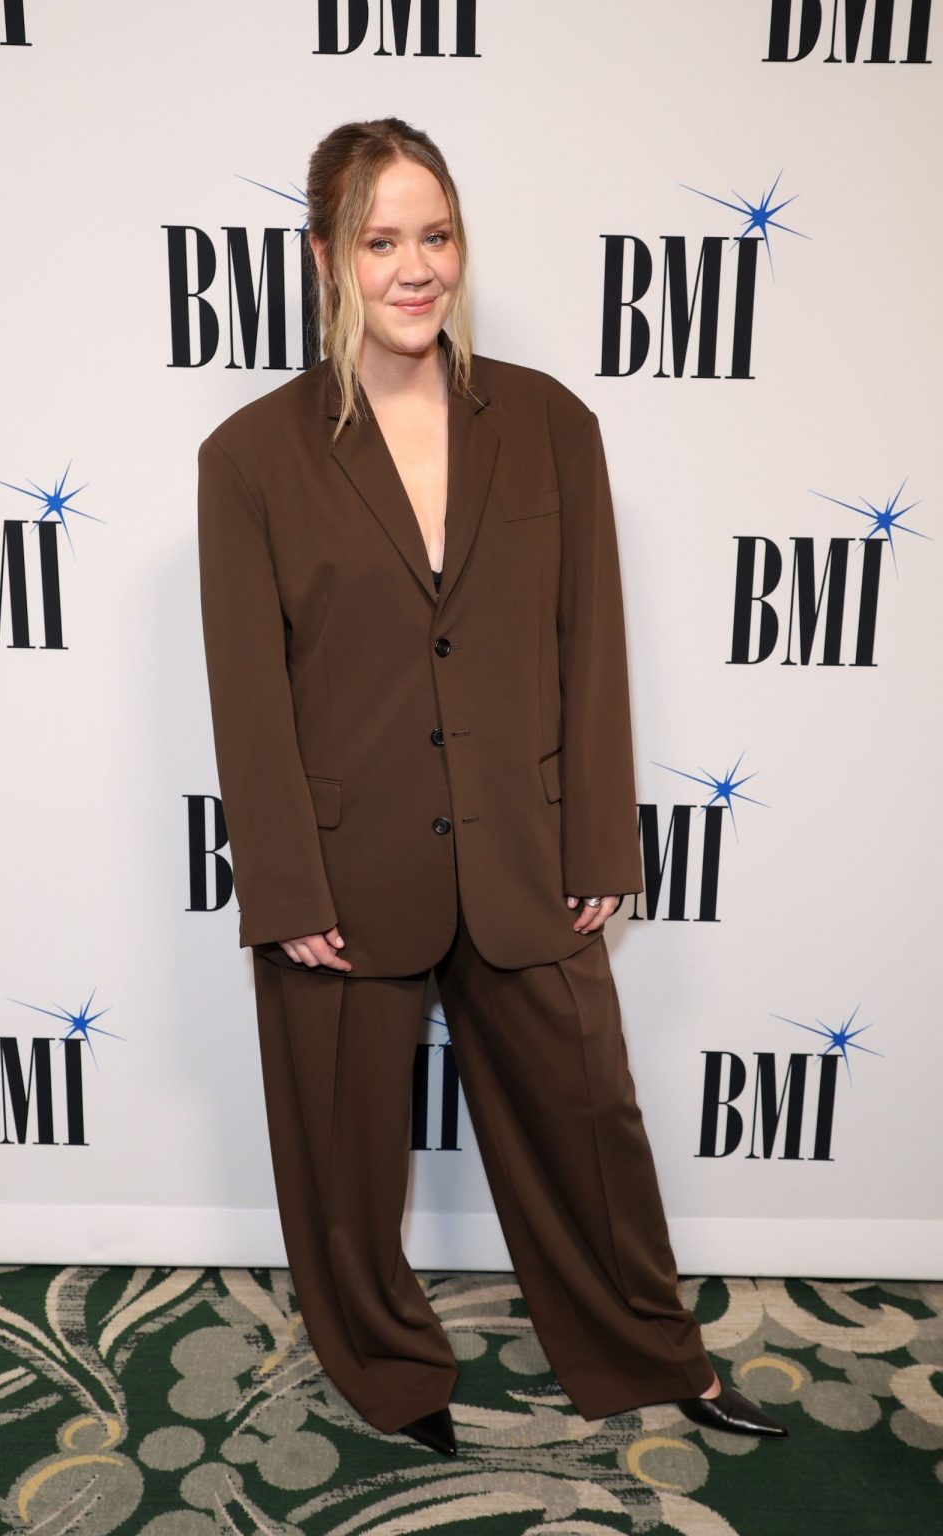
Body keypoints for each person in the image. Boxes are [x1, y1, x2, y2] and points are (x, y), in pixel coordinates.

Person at [196, 117, 787, 1455]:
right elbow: (248, 691)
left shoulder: (550, 423)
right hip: (343, 878)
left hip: (526, 853)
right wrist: (284, 884)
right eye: (382, 239)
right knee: (343, 1169)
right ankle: (392, 1375)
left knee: (593, 1125)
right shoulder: (249, 458)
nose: (417, 267)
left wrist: (597, 840)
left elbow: (592, 645)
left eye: (437, 234)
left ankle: (655, 1352)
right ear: (325, 260)